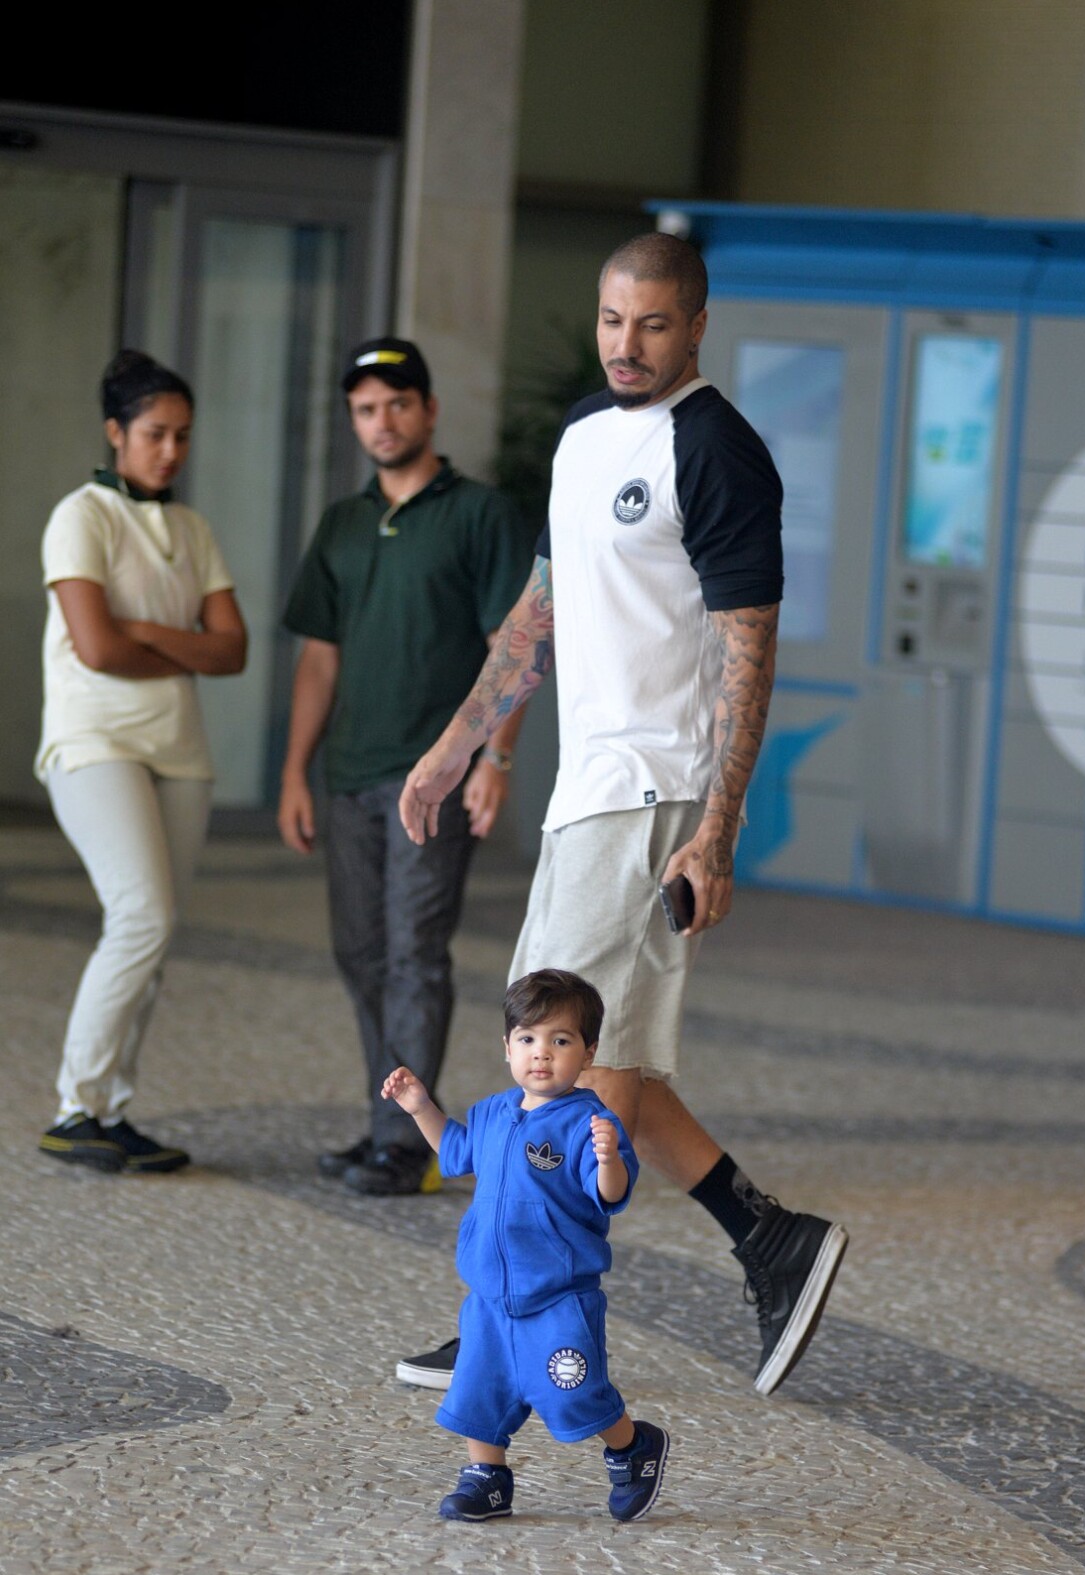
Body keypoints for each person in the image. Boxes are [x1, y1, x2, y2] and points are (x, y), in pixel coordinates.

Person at [396, 233, 848, 1397]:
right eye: (611, 320)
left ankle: (508, 1314)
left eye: (652, 325)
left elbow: (750, 650)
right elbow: (540, 608)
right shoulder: (585, 439)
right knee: (613, 1063)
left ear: (696, 326)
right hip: (588, 791)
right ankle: (773, 1239)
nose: (626, 345)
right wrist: (455, 746)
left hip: (654, 796)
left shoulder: (718, 450)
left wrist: (719, 828)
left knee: (556, 1065)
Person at [278, 338, 534, 1196]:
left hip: (435, 776)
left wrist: (495, 757)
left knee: (413, 952)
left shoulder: (481, 515)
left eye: (396, 404)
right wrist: (293, 773)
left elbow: (516, 646)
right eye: (364, 409)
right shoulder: (344, 524)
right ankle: (386, 1121)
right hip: (350, 773)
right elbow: (320, 659)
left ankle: (408, 1140)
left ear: (427, 410)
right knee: (360, 952)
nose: (381, 422)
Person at [36, 350, 248, 1174]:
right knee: (140, 917)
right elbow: (95, 646)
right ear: (115, 432)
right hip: (94, 745)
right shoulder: (80, 516)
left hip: (178, 754)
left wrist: (148, 634)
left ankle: (115, 1110)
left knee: (153, 938)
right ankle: (74, 1105)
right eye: (155, 434)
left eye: (183, 437)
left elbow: (232, 651)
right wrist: (179, 643)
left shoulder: (191, 529)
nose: (170, 451)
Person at [382, 969, 668, 1523]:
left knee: (572, 1392)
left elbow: (611, 1194)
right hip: (489, 1295)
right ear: (507, 1047)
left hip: (558, 1296)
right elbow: (458, 1152)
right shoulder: (492, 1112)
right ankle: (487, 1478)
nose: (542, 1054)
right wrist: (421, 1107)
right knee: (477, 1393)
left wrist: (608, 1159)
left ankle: (631, 1446)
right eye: (528, 1039)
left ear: (588, 1053)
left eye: (560, 1041)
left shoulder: (590, 1122)